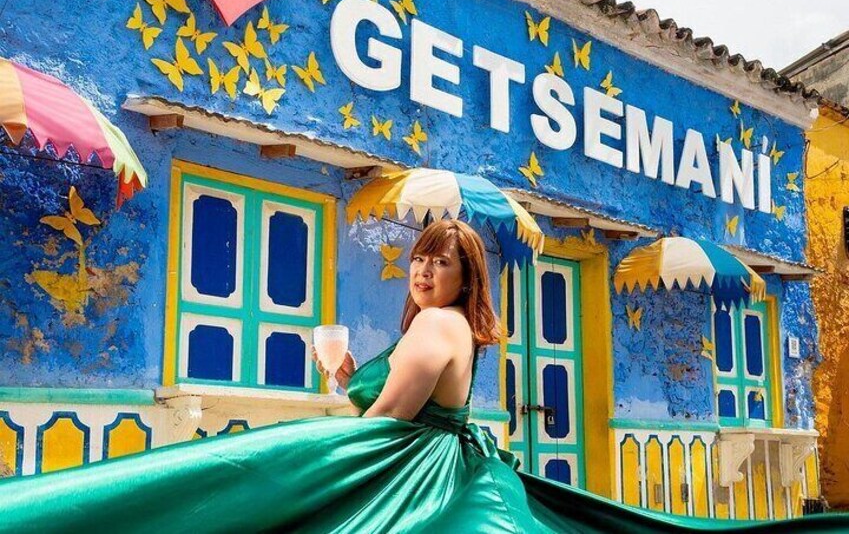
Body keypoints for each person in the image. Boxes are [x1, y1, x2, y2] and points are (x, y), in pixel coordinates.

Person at [0, 220, 847, 533]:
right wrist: (345, 372)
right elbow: (394, 401)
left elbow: (386, 422)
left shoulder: (438, 324)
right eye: (419, 257)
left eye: (442, 260)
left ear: (464, 276)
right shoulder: (440, 325)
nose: (424, 268)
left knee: (214, 482)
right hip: (441, 462)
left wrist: (328, 411)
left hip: (415, 472)